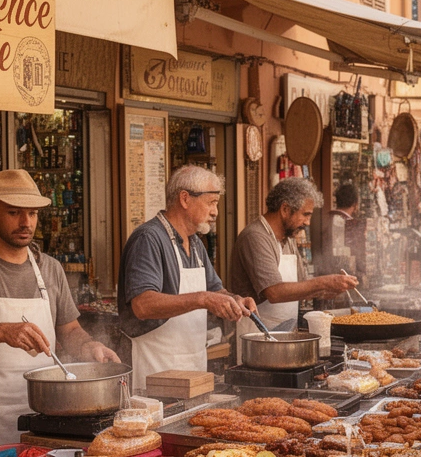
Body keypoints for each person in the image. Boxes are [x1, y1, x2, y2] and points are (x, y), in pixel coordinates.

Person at [0, 170, 118, 449]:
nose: (26, 223)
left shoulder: (50, 268)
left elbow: (70, 329)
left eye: (33, 214)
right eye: (14, 212)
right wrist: (0, 331)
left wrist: (90, 347)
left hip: (41, 421)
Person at [118, 166, 255, 390]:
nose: (215, 212)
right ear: (185, 199)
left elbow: (215, 290)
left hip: (193, 366)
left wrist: (234, 299)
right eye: (211, 202)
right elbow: (142, 305)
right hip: (155, 369)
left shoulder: (195, 243)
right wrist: (202, 299)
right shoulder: (148, 239)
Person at [228, 178, 358, 348]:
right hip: (255, 338)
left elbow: (301, 287)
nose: (308, 222)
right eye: (305, 214)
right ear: (285, 209)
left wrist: (327, 290)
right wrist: (325, 281)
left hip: (283, 334)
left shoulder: (287, 239)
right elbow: (274, 292)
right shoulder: (255, 237)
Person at [316, 183, 361, 276]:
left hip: (322, 273)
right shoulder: (349, 223)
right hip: (342, 275)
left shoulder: (325, 219)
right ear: (355, 203)